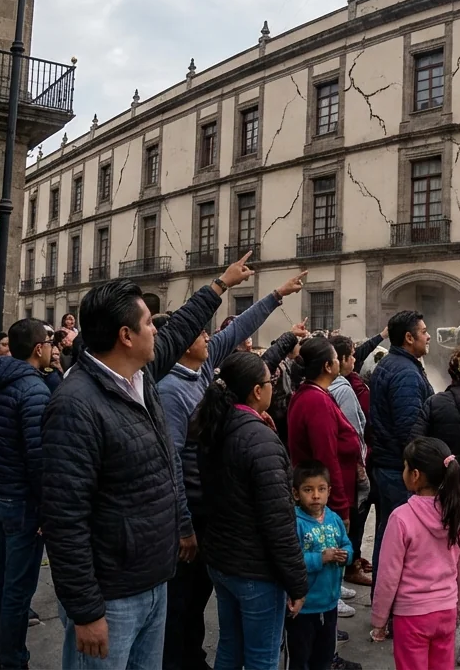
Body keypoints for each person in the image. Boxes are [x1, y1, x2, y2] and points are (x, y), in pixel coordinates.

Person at [42, 255, 251, 670]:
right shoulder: (75, 405)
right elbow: (64, 520)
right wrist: (86, 611)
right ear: (125, 335)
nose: (157, 330)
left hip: (155, 581)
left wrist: (220, 286)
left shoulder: (142, 375)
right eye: (149, 323)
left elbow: (180, 329)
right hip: (111, 597)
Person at [158, 271, 303, 670]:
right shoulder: (171, 391)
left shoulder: (203, 373)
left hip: (215, 512)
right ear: (183, 343)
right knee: (183, 605)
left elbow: (241, 327)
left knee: (212, 610)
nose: (209, 338)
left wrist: (276, 295)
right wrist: (184, 526)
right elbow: (171, 462)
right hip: (193, 514)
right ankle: (181, 660)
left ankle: (193, 656)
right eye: (201, 334)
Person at [193, 351, 309, 670]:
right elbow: (278, 523)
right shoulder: (259, 440)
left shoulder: (214, 425)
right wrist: (297, 582)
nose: (274, 386)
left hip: (223, 560)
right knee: (262, 655)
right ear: (257, 391)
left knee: (230, 645)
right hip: (255, 570)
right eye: (270, 382)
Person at [0, 319, 53, 669]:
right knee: (17, 590)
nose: (54, 347)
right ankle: (12, 660)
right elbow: (39, 458)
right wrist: (45, 508)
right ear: (38, 349)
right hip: (20, 501)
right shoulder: (33, 391)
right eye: (49, 342)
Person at [413, 343, 460, 664]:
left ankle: (434, 631)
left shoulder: (434, 403)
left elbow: (414, 446)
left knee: (439, 563)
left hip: (441, 496)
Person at [370, 437, 460, 670]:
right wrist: (458, 606)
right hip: (446, 610)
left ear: (415, 475)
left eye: (404, 467)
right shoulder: (458, 513)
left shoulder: (401, 518)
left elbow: (388, 575)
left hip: (412, 616)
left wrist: (379, 619)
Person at [286, 338, 363, 621]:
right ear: (328, 365)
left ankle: (331, 593)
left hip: (322, 489)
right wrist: (340, 505)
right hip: (320, 496)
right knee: (322, 549)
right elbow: (326, 457)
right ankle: (323, 607)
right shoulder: (315, 400)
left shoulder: (315, 394)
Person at [369, 310, 434, 586]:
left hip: (388, 466)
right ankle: (393, 609)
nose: (429, 336)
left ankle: (383, 602)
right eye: (424, 331)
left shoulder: (394, 363)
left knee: (387, 534)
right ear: (409, 338)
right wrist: (420, 472)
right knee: (399, 542)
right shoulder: (405, 373)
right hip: (399, 471)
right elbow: (410, 431)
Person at [289, 460, 353, 670]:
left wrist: (347, 555)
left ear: (329, 491)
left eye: (321, 489)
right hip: (304, 607)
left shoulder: (333, 519)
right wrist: (320, 558)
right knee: (300, 656)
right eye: (308, 489)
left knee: (324, 655)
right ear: (296, 493)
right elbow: (291, 559)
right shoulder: (295, 522)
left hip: (329, 603)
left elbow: (346, 544)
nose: (316, 495)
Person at [328, 336, 373, 590]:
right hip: (346, 467)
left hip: (346, 465)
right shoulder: (343, 389)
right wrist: (359, 462)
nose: (355, 360)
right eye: (351, 356)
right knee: (343, 522)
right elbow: (352, 430)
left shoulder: (340, 385)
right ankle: (336, 582)